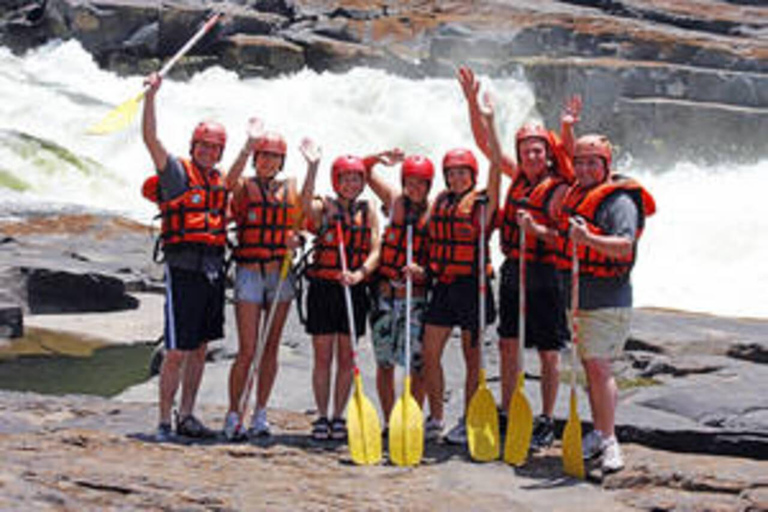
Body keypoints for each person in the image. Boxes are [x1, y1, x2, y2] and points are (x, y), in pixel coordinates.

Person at [460, 65, 580, 448]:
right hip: (515, 269)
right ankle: (511, 410)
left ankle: (545, 417)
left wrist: (567, 129)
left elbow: (564, 235)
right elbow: (486, 147)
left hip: (546, 274)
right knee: (509, 343)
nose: (531, 155)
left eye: (537, 150)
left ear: (547, 155)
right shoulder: (517, 178)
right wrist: (475, 106)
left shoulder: (560, 188)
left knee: (547, 351)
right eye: (526, 150)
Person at [559, 134, 656, 473]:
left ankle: (610, 440)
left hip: (608, 299)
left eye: (592, 162)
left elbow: (624, 246)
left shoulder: (620, 202)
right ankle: (599, 431)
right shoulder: (578, 194)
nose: (584, 168)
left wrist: (587, 239)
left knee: (599, 369)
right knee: (591, 368)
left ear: (605, 165)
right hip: (580, 296)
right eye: (580, 162)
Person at [141, 72, 228, 441]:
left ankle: (188, 415)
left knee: (200, 349)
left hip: (212, 269)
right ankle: (164, 420)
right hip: (183, 271)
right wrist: (150, 97)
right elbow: (150, 138)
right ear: (194, 146)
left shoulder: (219, 181)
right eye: (203, 146)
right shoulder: (176, 172)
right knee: (176, 350)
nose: (208, 152)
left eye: (214, 148)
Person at [421, 93, 502, 445]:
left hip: (473, 287)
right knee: (429, 352)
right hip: (444, 286)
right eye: (450, 174)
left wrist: (489, 122)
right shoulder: (439, 202)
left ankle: (467, 419)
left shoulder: (483, 203)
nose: (455, 179)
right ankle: (436, 417)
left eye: (461, 173)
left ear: (472, 175)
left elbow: (498, 167)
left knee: (473, 360)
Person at [221, 120, 303, 440]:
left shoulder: (290, 189)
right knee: (247, 349)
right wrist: (247, 144)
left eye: (274, 156)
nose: (268, 161)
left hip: (279, 273)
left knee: (270, 349)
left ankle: (260, 412)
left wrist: (295, 239)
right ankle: (233, 412)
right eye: (263, 155)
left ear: (282, 161)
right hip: (250, 273)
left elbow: (302, 218)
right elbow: (226, 185)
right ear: (256, 158)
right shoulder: (243, 186)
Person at [301, 151, 382, 441]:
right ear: (336, 180)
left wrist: (360, 274)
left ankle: (339, 415)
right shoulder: (323, 206)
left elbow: (375, 250)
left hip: (354, 287)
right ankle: (322, 416)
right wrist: (313, 167)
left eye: (356, 179)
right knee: (323, 357)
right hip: (324, 288)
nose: (351, 184)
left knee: (347, 358)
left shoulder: (368, 209)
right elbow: (303, 205)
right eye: (346, 179)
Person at [363, 150, 433, 431]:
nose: (414, 188)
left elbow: (437, 261)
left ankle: (411, 420)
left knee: (417, 366)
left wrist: (422, 271)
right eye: (410, 182)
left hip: (414, 300)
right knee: (385, 364)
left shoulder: (435, 212)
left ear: (429, 185)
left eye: (420, 183)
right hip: (385, 299)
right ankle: (391, 421)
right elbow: (363, 171)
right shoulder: (394, 201)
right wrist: (378, 157)